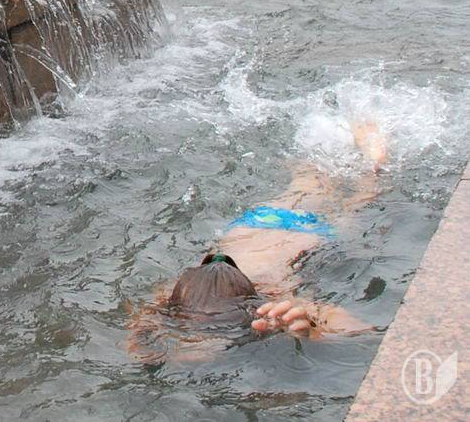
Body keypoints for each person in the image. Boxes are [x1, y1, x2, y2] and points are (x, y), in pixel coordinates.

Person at [127, 122, 386, 364]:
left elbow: (362, 331)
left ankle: (374, 162)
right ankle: (330, 138)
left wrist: (312, 327)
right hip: (254, 223)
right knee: (309, 180)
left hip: (307, 233)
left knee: (362, 197)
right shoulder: (175, 291)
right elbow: (140, 333)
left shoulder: (274, 298)